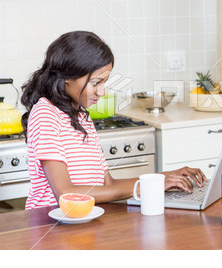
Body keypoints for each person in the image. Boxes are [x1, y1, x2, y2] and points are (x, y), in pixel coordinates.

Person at [21, 31, 206, 209]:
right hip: (49, 224)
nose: (101, 92)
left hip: (83, 223)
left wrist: (164, 177)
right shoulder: (45, 113)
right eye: (95, 82)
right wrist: (154, 185)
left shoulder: (82, 116)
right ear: (67, 77)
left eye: (104, 82)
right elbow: (65, 193)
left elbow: (108, 184)